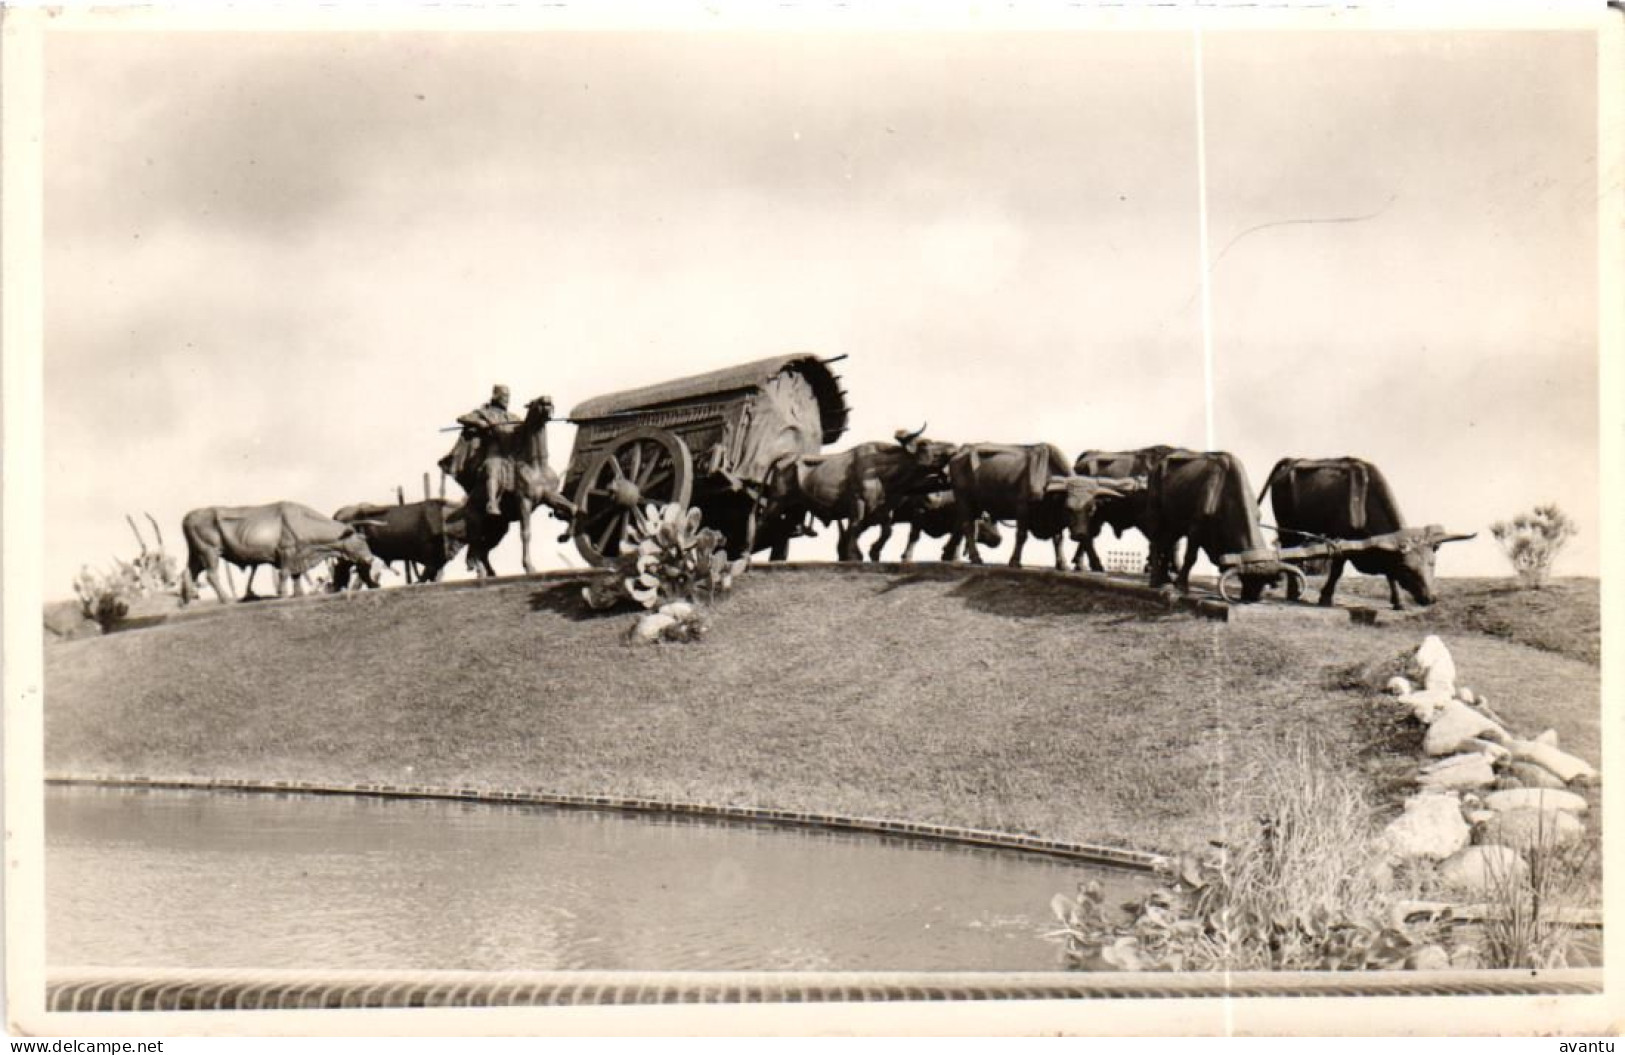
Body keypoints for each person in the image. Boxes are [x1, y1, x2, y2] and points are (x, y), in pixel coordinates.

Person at [439, 385, 521, 514]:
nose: (507, 399)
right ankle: (492, 502)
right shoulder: (484, 413)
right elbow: (462, 418)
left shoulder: (512, 417)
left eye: (508, 396)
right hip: (493, 451)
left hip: (510, 454)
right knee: (492, 467)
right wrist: (479, 423)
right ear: (496, 396)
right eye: (504, 396)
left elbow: (526, 426)